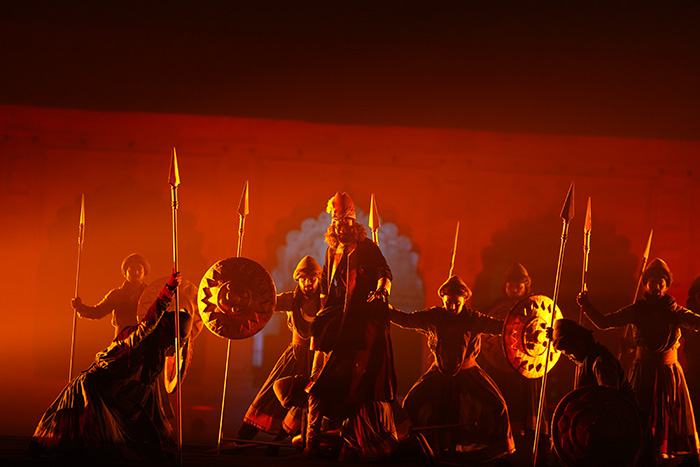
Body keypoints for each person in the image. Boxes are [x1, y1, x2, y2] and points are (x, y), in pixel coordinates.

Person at [31, 271, 191, 461]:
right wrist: (168, 290)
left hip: (114, 390)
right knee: (85, 438)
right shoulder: (138, 338)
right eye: (171, 341)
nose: (171, 347)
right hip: (93, 386)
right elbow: (149, 320)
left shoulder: (153, 357)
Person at [305, 192, 403, 461]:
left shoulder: (368, 247)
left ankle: (359, 441)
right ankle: (313, 442)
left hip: (362, 319)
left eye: (346, 223)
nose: (342, 228)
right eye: (337, 224)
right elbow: (326, 285)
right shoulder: (331, 250)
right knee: (320, 379)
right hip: (336, 318)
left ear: (354, 224)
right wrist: (322, 314)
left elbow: (384, 271)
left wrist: (382, 288)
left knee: (361, 383)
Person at [578, 258, 700, 463]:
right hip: (644, 373)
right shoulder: (636, 310)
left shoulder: (676, 312)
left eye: (661, 283)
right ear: (646, 284)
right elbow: (604, 322)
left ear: (666, 286)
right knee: (641, 414)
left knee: (668, 418)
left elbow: (697, 323)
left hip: (669, 376)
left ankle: (664, 456)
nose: (656, 287)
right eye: (652, 282)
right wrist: (587, 306)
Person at [389, 275, 515, 464]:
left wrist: (520, 327)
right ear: (443, 300)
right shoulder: (434, 316)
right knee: (412, 402)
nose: (452, 306)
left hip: (469, 374)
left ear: (464, 300)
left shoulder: (473, 318)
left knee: (498, 406)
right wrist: (387, 310)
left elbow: (499, 327)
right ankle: (416, 447)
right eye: (448, 302)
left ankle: (495, 453)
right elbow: (407, 320)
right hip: (438, 374)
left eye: (457, 302)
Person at [236, 255, 323, 452]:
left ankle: (277, 443)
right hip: (294, 356)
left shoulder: (326, 301)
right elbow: (264, 303)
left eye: (312, 279)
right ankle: (243, 437)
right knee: (270, 394)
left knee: (304, 403)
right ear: (298, 280)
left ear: (318, 279)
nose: (308, 283)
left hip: (317, 359)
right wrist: (240, 299)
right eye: (304, 279)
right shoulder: (291, 300)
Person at [480, 263, 538, 436]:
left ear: (525, 287)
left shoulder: (534, 307)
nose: (514, 290)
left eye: (518, 287)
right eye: (511, 286)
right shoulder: (497, 306)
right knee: (500, 394)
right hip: (500, 362)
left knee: (523, 397)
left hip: (524, 362)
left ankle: (526, 431)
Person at [72, 253, 150, 336]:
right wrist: (80, 307)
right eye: (132, 269)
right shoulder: (116, 295)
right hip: (122, 340)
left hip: (146, 339)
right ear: (126, 272)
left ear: (144, 272)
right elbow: (98, 312)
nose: (136, 272)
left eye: (139, 269)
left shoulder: (151, 296)